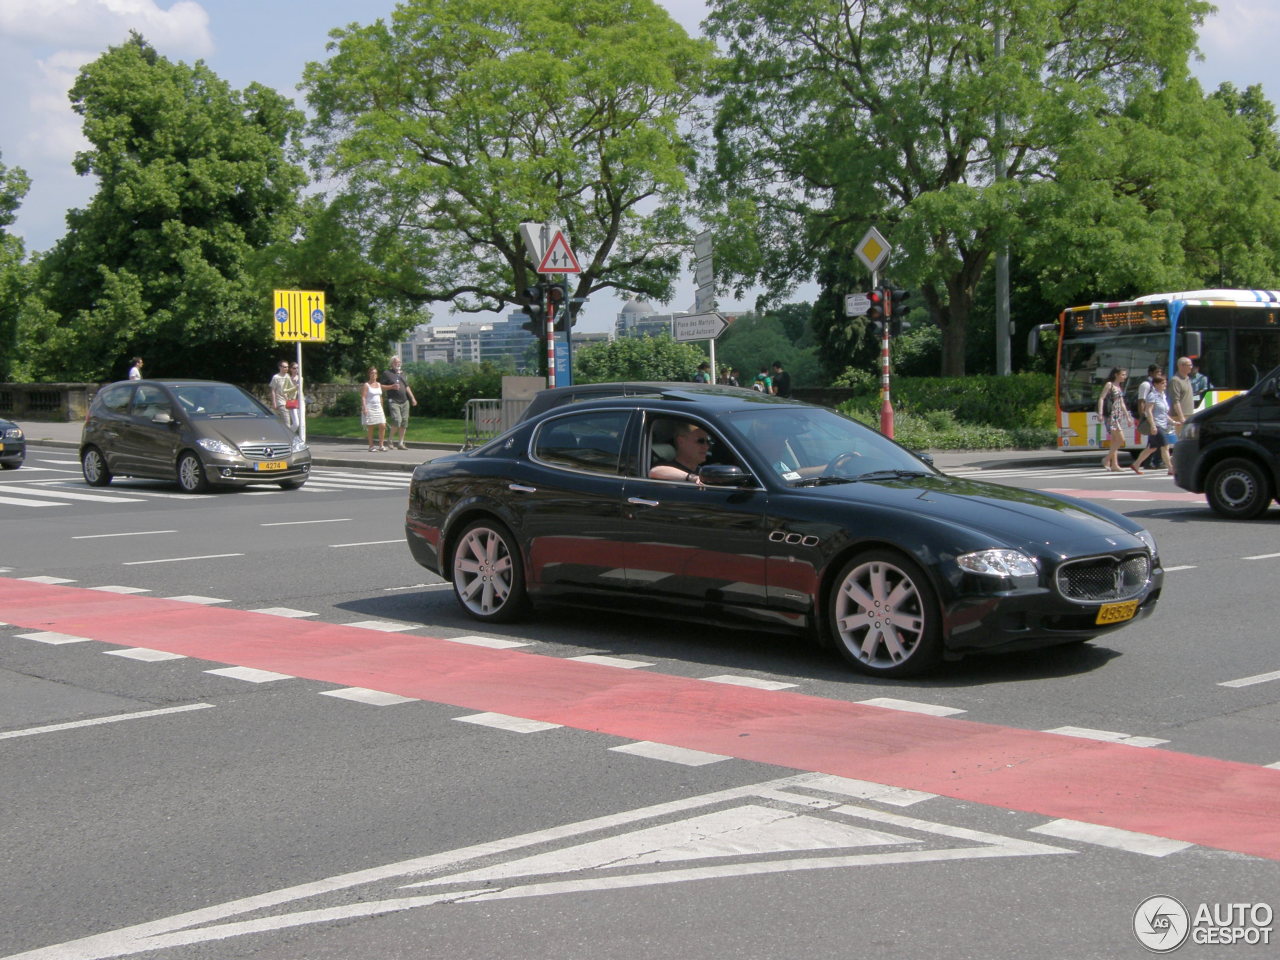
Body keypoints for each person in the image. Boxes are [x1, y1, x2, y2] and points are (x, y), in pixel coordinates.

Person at [1130, 374, 1174, 475]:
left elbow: (1163, 413)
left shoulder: (1162, 396)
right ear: (1156, 384)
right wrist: (1153, 425)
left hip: (1162, 425)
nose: (1165, 385)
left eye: (1165, 383)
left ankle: (1136, 464)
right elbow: (1148, 411)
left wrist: (1172, 421)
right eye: (1162, 383)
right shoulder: (1152, 396)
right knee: (1165, 446)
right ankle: (1171, 469)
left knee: (1152, 448)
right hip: (1156, 425)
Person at [1097, 367, 1133, 473]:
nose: (1124, 377)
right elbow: (1101, 398)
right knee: (1121, 440)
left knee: (1114, 441)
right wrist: (1100, 413)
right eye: (1122, 374)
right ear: (1116, 375)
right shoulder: (1110, 385)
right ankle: (1106, 459)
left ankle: (1114, 465)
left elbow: (1122, 403)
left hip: (1118, 416)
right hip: (1111, 416)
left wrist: (1127, 416)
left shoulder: (1119, 387)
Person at [379, 355, 417, 450]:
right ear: (392, 363)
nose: (398, 364)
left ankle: (400, 443)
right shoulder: (387, 373)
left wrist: (412, 398)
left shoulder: (402, 374)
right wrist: (391, 387)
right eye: (396, 362)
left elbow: (407, 387)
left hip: (405, 401)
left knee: (404, 422)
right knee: (397, 420)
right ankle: (390, 440)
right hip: (393, 400)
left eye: (399, 362)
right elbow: (381, 386)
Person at [1166, 356, 1194, 469]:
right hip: (1179, 416)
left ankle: (1180, 460)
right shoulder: (1175, 380)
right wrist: (1181, 417)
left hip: (1189, 414)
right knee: (1182, 440)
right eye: (1189, 365)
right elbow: (1175, 400)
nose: (1191, 367)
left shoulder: (1187, 378)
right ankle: (1176, 461)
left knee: (1188, 440)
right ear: (1181, 366)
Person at [360, 366, 388, 452]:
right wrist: (364, 408)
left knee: (383, 425)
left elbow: (380, 397)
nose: (374, 375)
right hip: (370, 407)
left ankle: (381, 445)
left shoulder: (379, 385)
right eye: (372, 373)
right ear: (369, 374)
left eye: (375, 373)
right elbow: (363, 397)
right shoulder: (366, 385)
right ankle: (371, 446)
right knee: (371, 427)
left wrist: (382, 407)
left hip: (378, 408)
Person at [269, 360, 296, 429]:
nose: (286, 368)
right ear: (280, 367)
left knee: (283, 422)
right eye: (284, 367)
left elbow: (291, 387)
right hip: (281, 402)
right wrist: (274, 403)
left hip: (287, 401)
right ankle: (289, 438)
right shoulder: (276, 377)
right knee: (287, 422)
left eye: (287, 367)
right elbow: (273, 391)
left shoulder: (287, 376)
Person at [288, 360, 303, 434]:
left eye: (297, 368)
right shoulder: (288, 379)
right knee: (296, 423)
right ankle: (287, 434)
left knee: (302, 423)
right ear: (290, 369)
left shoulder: (300, 378)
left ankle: (301, 439)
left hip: (300, 401)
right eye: (294, 368)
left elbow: (299, 389)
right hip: (292, 402)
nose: (296, 370)